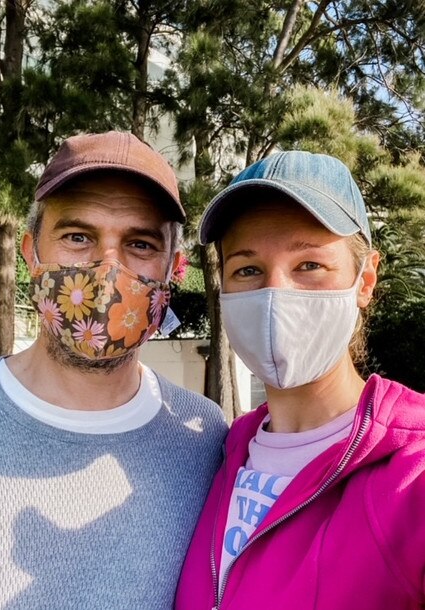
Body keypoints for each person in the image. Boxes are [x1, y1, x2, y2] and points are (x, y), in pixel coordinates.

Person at [0, 131, 227, 609]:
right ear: (31, 253)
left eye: (141, 243)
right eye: (77, 237)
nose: (107, 268)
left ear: (174, 269)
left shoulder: (206, 438)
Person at [175, 151, 425, 610]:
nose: (276, 293)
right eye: (247, 269)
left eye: (309, 264)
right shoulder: (220, 454)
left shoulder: (413, 476)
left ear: (365, 279)